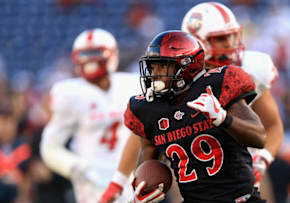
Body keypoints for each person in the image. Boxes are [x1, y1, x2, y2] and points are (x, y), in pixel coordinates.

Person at [100, 30, 267, 203]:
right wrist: (140, 192)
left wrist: (222, 118)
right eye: (152, 66)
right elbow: (147, 165)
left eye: (162, 65)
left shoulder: (217, 86)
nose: (155, 72)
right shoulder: (147, 109)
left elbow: (259, 138)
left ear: (186, 65)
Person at [181, 2, 284, 188]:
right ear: (197, 42)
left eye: (232, 36)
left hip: (243, 167)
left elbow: (273, 125)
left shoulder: (251, 70)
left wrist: (262, 159)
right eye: (221, 38)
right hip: (194, 173)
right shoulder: (179, 80)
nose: (230, 44)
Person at [40, 28, 140, 203]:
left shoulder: (131, 85)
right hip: (93, 182)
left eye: (95, 53)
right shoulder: (70, 93)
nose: (90, 61)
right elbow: (49, 148)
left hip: (130, 174)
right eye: (85, 54)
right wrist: (77, 167)